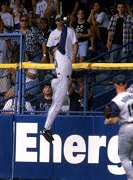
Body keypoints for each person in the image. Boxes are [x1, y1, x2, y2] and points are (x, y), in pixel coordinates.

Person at [41, 14, 78, 144]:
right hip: (62, 78)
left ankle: (47, 127)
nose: (58, 45)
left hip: (58, 78)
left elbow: (60, 44)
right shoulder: (60, 52)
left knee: (55, 104)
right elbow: (62, 41)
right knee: (57, 105)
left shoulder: (58, 53)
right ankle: (46, 129)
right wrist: (66, 25)